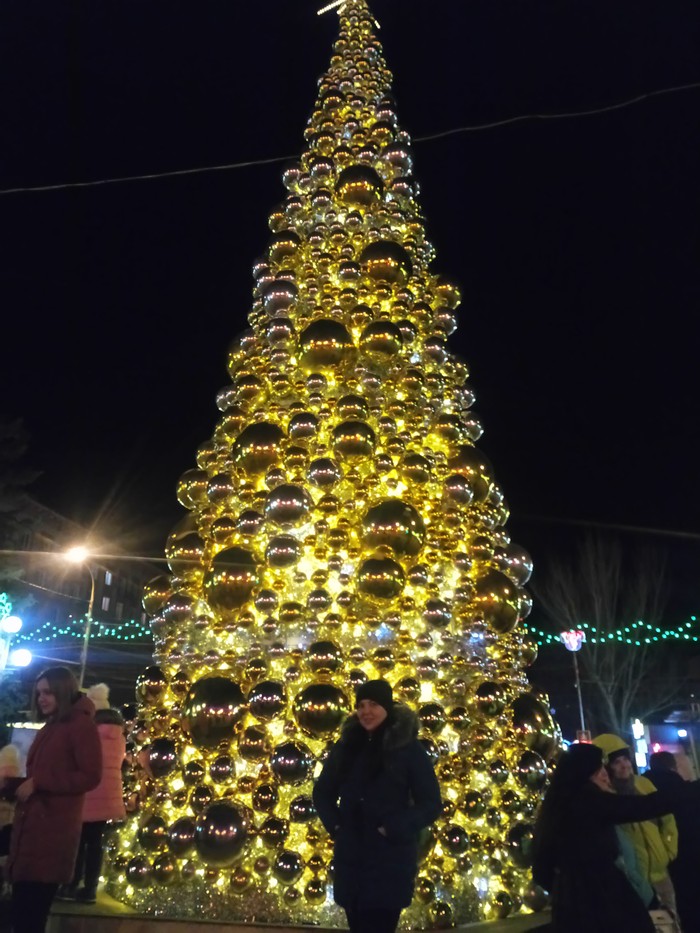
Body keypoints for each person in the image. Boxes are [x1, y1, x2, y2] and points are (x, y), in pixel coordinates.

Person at [313, 679, 441, 933]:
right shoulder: (347, 746)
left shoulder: (408, 748)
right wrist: (338, 827)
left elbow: (431, 803)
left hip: (389, 861)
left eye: (373, 704)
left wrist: (393, 828)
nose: (366, 711)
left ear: (387, 707)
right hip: (353, 861)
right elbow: (323, 793)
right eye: (361, 705)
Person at [531, 742, 696, 933]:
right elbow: (644, 806)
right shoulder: (588, 801)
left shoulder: (556, 807)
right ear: (584, 771)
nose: (604, 774)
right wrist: (690, 791)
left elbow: (541, 868)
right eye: (598, 768)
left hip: (569, 905)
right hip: (602, 898)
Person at [3, 667, 102, 933]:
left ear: (62, 690)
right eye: (38, 693)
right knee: (23, 915)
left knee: (30, 917)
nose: (41, 699)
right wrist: (11, 785)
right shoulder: (54, 724)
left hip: (50, 836)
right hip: (34, 833)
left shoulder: (80, 726)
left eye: (47, 692)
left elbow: (90, 776)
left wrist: (39, 782)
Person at [593, 734, 678, 920]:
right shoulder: (607, 798)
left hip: (661, 876)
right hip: (634, 885)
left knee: (671, 925)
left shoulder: (643, 784)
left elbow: (667, 820)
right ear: (607, 767)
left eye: (625, 759)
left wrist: (668, 851)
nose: (624, 765)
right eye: (616, 762)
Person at [57, 684, 126, 904]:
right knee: (95, 843)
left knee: (77, 841)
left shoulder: (90, 734)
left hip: (87, 794)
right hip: (108, 796)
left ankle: (70, 885)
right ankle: (90, 889)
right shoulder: (119, 737)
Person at [645, 750, 700, 932]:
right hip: (691, 862)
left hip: (656, 871)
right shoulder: (688, 791)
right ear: (674, 767)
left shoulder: (638, 793)